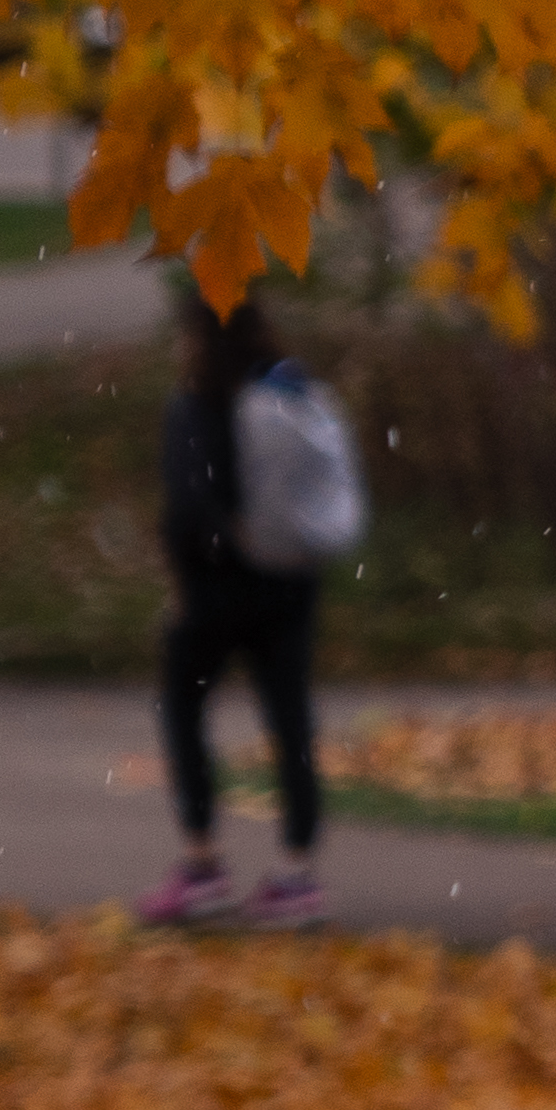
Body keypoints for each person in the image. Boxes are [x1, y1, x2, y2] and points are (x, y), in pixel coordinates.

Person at [139, 292, 329, 929]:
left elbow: (188, 507)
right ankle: (297, 871)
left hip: (217, 588)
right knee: (291, 722)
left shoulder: (196, 403)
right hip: (291, 581)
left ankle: (202, 862)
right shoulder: (290, 390)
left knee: (185, 708)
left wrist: (191, 566)